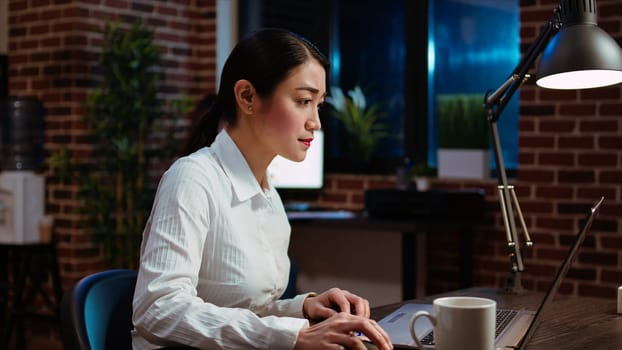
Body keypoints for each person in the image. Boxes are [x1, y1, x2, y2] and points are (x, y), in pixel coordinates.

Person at [131, 28, 393, 350]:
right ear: (247, 97)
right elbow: (157, 309)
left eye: (318, 105)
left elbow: (243, 311)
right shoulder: (193, 179)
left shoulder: (267, 192)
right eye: (303, 101)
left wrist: (305, 307)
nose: (316, 122)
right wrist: (293, 336)